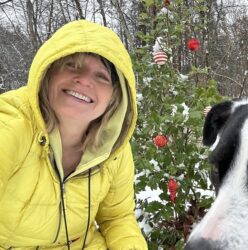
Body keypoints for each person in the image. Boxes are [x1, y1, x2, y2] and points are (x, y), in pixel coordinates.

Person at [0, 20, 147, 249]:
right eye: (72, 66)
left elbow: (116, 218)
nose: (84, 80)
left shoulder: (112, 149)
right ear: (48, 72)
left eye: (101, 77)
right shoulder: (10, 124)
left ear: (114, 98)